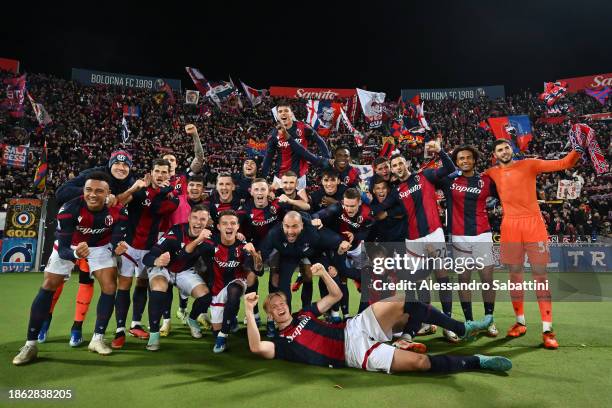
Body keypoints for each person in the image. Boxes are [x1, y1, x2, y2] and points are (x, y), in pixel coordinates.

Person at [244, 263, 512, 374]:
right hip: (354, 352)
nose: (279, 306)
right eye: (274, 306)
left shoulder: (305, 313)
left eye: (281, 302)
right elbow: (255, 348)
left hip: (355, 325)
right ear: (269, 314)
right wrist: (248, 309)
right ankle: (479, 362)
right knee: (420, 363)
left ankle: (458, 329)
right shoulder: (280, 342)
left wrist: (324, 273)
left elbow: (336, 295)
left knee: (407, 298)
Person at [13, 172, 129, 365]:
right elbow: (64, 248)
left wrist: (117, 248)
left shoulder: (119, 212)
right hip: (72, 246)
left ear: (108, 193)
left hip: (100, 246)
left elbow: (116, 239)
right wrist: (76, 255)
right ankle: (30, 344)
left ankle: (97, 339)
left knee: (109, 286)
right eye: (88, 190)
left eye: (99, 191)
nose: (92, 195)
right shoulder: (69, 209)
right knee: (49, 283)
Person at [484, 139, 581, 349]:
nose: (504, 151)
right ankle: (520, 323)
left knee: (540, 276)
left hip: (533, 224)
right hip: (509, 226)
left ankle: (548, 330)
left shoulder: (529, 164)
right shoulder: (491, 172)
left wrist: (578, 150)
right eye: (499, 150)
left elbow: (563, 163)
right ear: (494, 154)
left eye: (506, 148)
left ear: (512, 149)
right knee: (514, 276)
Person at [40, 150, 135, 347]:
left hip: (99, 241)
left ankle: (77, 327)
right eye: (117, 164)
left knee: (89, 282)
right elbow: (61, 193)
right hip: (75, 234)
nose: (121, 168)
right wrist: (96, 193)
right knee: (55, 282)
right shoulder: (94, 175)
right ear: (109, 165)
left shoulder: (130, 182)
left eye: (126, 165)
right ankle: (44, 321)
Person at [387, 141, 459, 342]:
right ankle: (428, 322)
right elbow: (384, 210)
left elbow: (450, 168)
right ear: (392, 170)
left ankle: (449, 322)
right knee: (420, 282)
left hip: (434, 234)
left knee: (442, 277)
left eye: (401, 163)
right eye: (395, 166)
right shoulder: (396, 191)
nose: (398, 168)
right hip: (413, 240)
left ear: (406, 164)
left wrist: (441, 151)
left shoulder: (424, 176)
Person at [112, 159, 179, 349]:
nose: (160, 175)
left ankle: (136, 324)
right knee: (124, 285)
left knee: (142, 284)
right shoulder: (140, 190)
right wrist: (134, 189)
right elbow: (118, 202)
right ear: (151, 172)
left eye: (164, 172)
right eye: (157, 171)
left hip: (150, 248)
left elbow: (156, 209)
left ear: (169, 175)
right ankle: (119, 330)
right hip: (129, 246)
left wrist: (162, 192)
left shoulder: (172, 197)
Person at [435, 145, 498, 336]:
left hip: (482, 234)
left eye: (468, 157)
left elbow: (505, 194)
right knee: (464, 280)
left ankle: (489, 320)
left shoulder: (486, 180)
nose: (465, 161)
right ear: (456, 161)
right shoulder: (449, 180)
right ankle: (469, 321)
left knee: (487, 279)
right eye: (461, 158)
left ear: (474, 160)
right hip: (458, 236)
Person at [142, 205, 214, 351]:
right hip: (163, 268)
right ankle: (154, 334)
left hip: (184, 271)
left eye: (202, 219)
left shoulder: (209, 238)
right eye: (195, 218)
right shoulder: (175, 232)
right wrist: (157, 261)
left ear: (208, 222)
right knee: (159, 288)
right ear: (188, 218)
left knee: (205, 296)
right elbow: (147, 257)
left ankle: (192, 319)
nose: (198, 222)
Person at [199, 210, 263, 353]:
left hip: (237, 280)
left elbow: (259, 271)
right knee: (216, 329)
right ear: (219, 227)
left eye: (233, 223)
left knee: (234, 291)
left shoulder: (243, 246)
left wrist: (254, 254)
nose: (229, 226)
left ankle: (223, 336)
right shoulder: (209, 244)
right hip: (217, 287)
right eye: (225, 223)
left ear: (238, 226)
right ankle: (229, 320)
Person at [262, 101, 331, 190]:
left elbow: (320, 141)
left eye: (286, 111)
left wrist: (327, 159)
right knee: (279, 203)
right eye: (280, 111)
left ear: (291, 114)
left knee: (299, 202)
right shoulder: (273, 134)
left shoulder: (303, 127)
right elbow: (268, 157)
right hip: (280, 178)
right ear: (277, 116)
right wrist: (263, 178)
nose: (283, 113)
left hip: (299, 177)